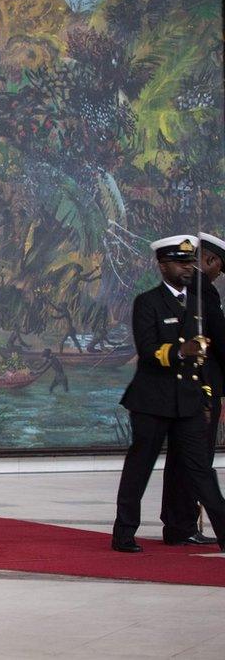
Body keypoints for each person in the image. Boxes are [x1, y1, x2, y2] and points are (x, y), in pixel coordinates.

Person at [112, 235, 225, 553]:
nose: (188, 268)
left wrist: (205, 397)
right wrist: (180, 350)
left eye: (191, 261)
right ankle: (123, 532)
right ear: (163, 266)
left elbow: (203, 359)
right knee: (140, 467)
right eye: (180, 262)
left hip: (187, 401)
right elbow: (148, 352)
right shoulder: (147, 303)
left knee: (201, 469)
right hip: (152, 400)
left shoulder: (198, 304)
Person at [160, 231, 225, 546]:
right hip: (203, 386)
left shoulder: (180, 287)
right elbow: (220, 342)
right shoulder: (205, 291)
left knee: (180, 455)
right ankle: (184, 524)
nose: (217, 275)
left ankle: (176, 523)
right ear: (210, 261)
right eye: (219, 268)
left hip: (180, 385)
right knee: (197, 457)